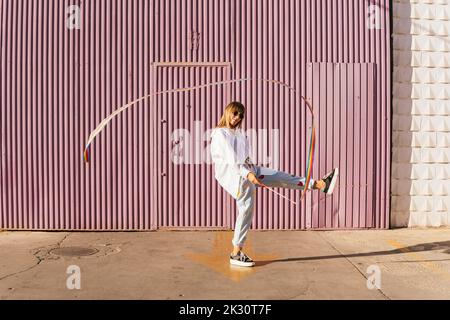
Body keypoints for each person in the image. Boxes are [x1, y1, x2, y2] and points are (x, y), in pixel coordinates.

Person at [210, 101, 338, 267]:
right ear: (228, 112)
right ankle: (236, 253)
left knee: (281, 176)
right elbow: (231, 161)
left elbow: (246, 157)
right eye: (235, 113)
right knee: (246, 209)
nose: (237, 118)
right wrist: (248, 174)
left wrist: (252, 170)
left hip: (250, 170)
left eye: (241, 115)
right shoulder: (220, 133)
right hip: (236, 178)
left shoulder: (241, 135)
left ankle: (320, 185)